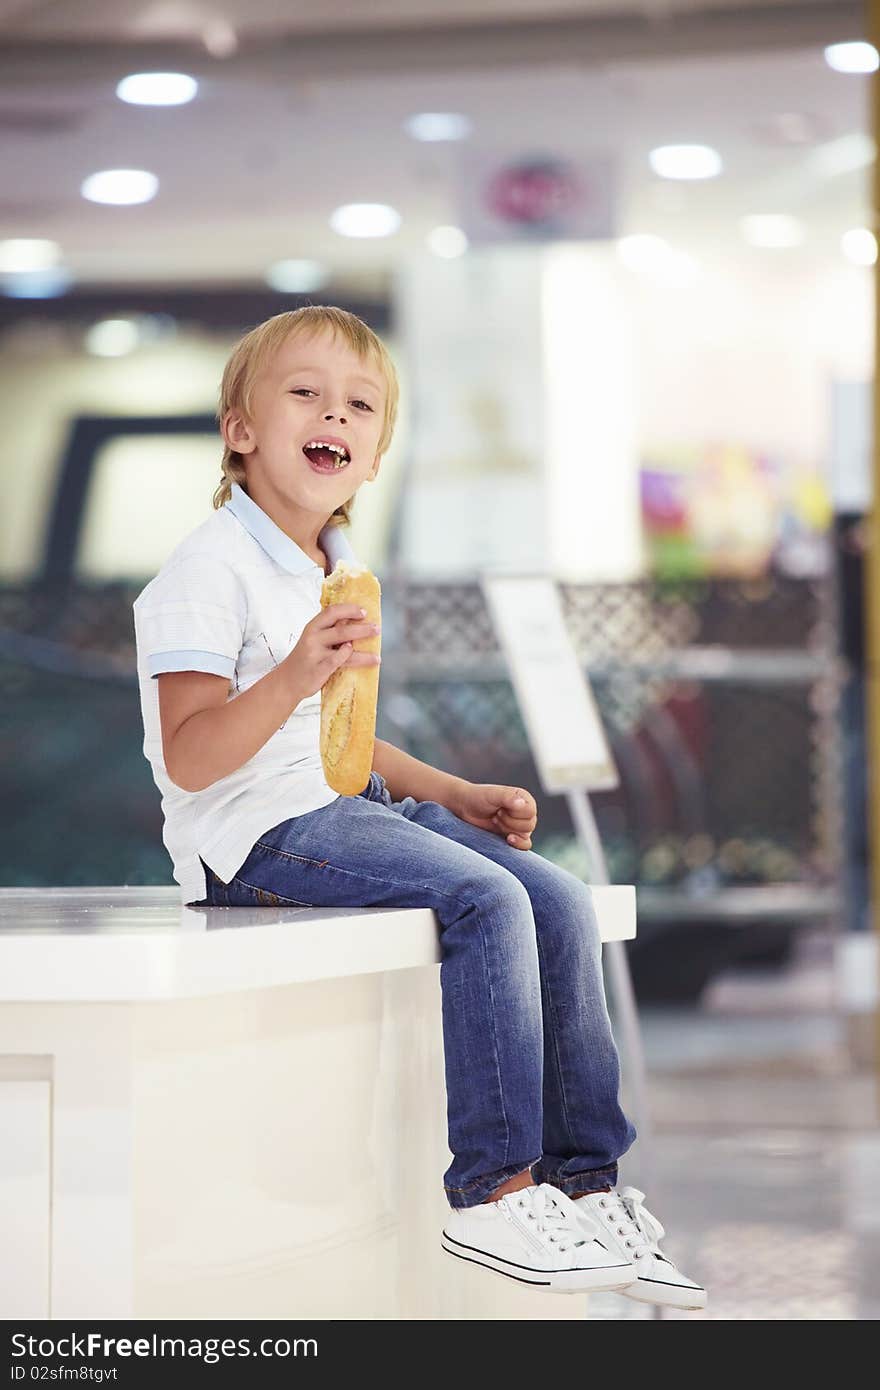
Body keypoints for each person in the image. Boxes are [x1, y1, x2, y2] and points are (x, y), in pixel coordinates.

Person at [132, 304, 705, 1309]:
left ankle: (585, 1185)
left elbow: (339, 741)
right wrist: (295, 674)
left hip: (337, 807)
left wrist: (451, 794)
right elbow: (191, 758)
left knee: (555, 899)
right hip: (257, 836)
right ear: (241, 430)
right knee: (488, 902)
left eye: (359, 405)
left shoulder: (333, 571)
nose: (333, 414)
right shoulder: (206, 570)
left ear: (373, 455)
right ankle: (492, 1187)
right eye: (304, 393)